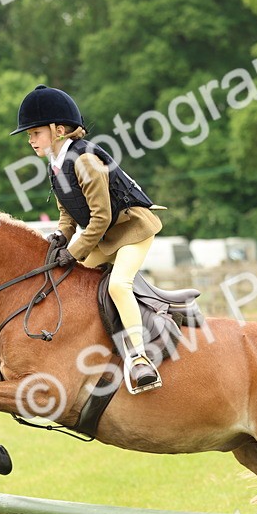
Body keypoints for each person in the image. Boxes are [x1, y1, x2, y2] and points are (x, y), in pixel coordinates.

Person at [12, 84, 164, 394]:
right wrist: (58, 239)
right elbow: (69, 216)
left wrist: (74, 250)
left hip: (132, 231)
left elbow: (101, 217)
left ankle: (140, 359)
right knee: (68, 280)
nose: (30, 140)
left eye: (35, 132)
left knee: (119, 285)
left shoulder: (85, 161)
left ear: (59, 130)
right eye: (28, 134)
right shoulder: (56, 167)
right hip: (105, 238)